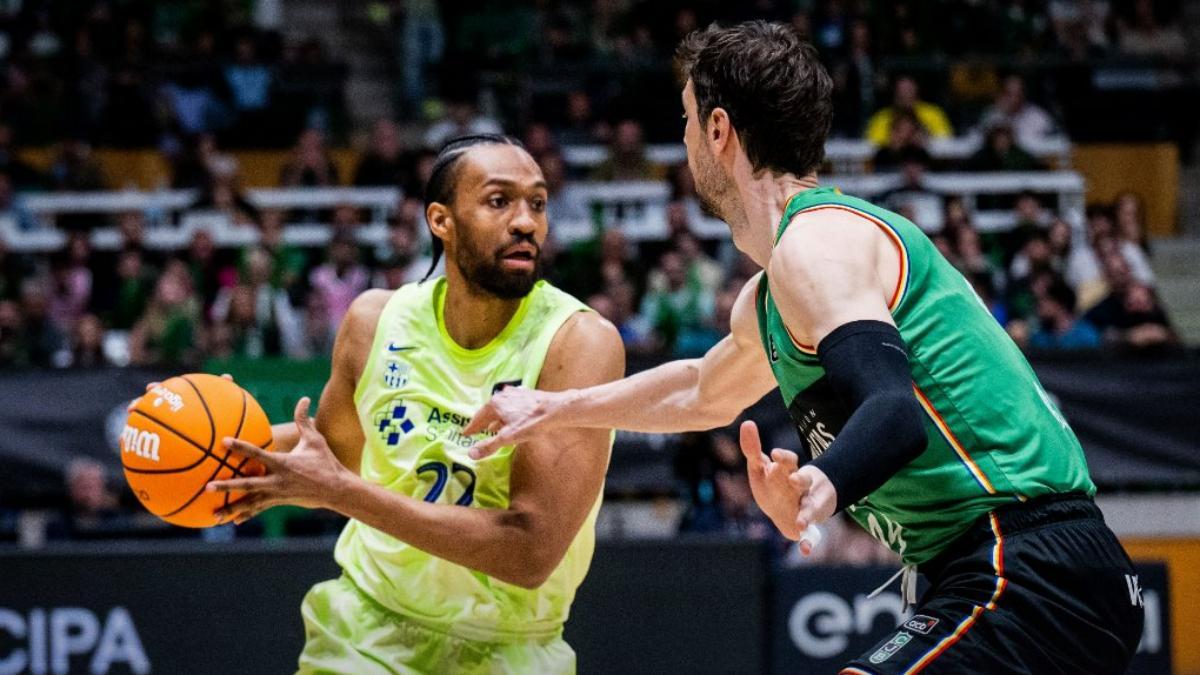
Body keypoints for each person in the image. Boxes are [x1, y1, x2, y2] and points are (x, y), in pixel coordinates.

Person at [467, 22, 1143, 674]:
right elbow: (701, 390)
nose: (683, 141)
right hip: (995, 568)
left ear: (719, 130)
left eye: (686, 121)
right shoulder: (774, 290)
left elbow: (894, 412)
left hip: (1024, 560)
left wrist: (821, 485)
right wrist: (553, 408)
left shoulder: (816, 245)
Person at [198, 134, 624, 673]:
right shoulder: (374, 320)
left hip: (508, 647)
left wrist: (343, 493)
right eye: (499, 201)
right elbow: (335, 452)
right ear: (441, 221)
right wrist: (216, 442)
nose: (526, 223)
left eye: (537, 203)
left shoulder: (578, 343)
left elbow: (529, 552)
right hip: (367, 631)